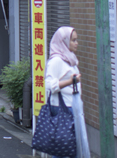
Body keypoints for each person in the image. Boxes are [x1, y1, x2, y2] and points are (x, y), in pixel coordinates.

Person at [43, 26, 81, 156]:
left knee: (70, 149)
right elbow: (49, 84)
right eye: (73, 40)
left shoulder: (70, 58)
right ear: (64, 41)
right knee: (63, 149)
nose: (77, 43)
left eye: (76, 40)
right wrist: (70, 82)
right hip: (61, 108)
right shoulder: (56, 60)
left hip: (72, 106)